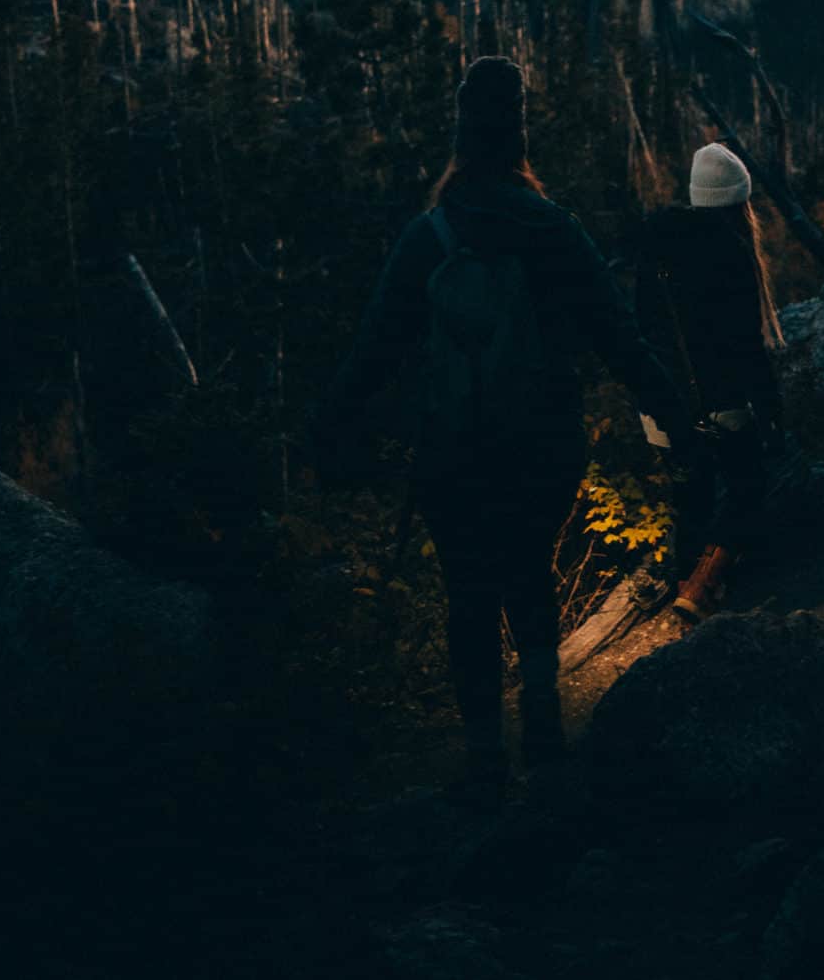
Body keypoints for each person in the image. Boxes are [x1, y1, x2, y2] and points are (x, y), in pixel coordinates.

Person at [315, 57, 692, 800]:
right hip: (543, 446)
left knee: (468, 591)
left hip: (452, 453)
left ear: (461, 137)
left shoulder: (430, 236)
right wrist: (677, 415)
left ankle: (485, 754)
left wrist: (328, 433)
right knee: (526, 569)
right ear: (518, 136)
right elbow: (619, 336)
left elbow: (373, 350)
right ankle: (545, 722)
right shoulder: (554, 228)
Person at [634, 141, 787, 622]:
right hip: (718, 403)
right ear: (740, 202)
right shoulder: (732, 252)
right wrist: (771, 411)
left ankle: (687, 591)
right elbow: (745, 347)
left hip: (661, 404)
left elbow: (641, 329)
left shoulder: (653, 245)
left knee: (692, 497)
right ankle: (702, 587)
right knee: (748, 487)